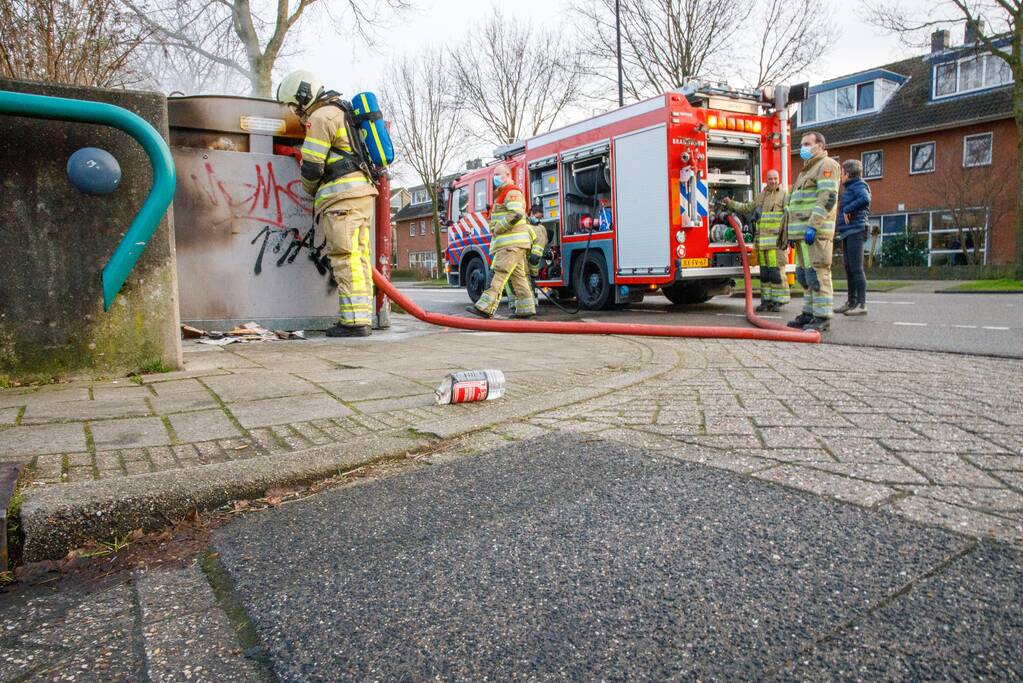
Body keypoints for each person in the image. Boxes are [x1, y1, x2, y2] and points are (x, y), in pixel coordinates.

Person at [276, 70, 378, 337]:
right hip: (362, 196)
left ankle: (354, 323)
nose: (296, 111)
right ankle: (361, 317)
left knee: (345, 258)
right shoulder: (340, 111)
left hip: (341, 198)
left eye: (295, 105)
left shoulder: (321, 117)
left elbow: (312, 166)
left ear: (303, 96)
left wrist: (308, 192)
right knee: (359, 259)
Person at [784, 131, 841, 332]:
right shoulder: (806, 171)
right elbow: (795, 204)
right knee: (805, 275)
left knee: (819, 274)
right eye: (802, 144)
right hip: (802, 235)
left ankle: (822, 316)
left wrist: (813, 226)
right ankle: (809, 313)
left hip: (816, 233)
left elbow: (827, 198)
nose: (803, 148)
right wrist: (792, 234)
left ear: (821, 146)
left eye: (808, 144)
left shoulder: (827, 166)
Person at [466, 163, 536, 319]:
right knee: (518, 277)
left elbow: (516, 213)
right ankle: (526, 308)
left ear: (508, 175)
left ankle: (485, 307)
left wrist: (498, 228)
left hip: (510, 244)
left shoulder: (512, 192)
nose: (495, 178)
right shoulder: (502, 193)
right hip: (513, 244)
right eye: (494, 175)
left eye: (499, 174)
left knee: (499, 273)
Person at [725, 169, 790, 312]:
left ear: (778, 179)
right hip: (762, 243)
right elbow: (747, 208)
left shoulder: (784, 195)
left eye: (775, 178)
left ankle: (778, 301)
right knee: (765, 273)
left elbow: (788, 217)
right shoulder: (761, 196)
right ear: (766, 180)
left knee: (776, 272)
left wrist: (787, 238)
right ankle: (766, 301)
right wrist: (731, 203)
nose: (773, 181)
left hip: (777, 243)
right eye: (770, 179)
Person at [835, 159, 870, 315]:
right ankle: (851, 302)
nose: (840, 176)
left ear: (847, 174)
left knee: (856, 268)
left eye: (841, 173)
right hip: (848, 231)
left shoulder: (859, 186)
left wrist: (847, 209)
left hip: (856, 230)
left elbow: (865, 199)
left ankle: (861, 305)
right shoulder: (851, 187)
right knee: (849, 268)